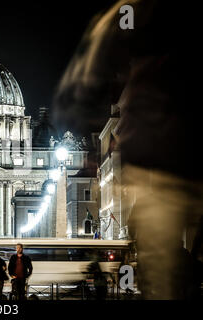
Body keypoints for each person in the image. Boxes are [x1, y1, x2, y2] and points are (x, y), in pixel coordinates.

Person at [53, 0, 202, 299]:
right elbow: (85, 80)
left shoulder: (127, 15)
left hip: (162, 161)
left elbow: (81, 84)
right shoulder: (128, 15)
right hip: (163, 165)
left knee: (167, 272)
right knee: (163, 272)